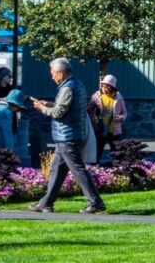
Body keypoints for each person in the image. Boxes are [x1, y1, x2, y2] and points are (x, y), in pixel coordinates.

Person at [29, 58, 105, 213]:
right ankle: (46, 203)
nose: (51, 77)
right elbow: (68, 107)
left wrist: (41, 108)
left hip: (67, 137)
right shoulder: (77, 84)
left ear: (61, 73)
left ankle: (95, 202)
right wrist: (49, 104)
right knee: (56, 170)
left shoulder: (67, 88)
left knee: (78, 169)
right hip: (69, 135)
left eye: (53, 74)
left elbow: (58, 113)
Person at [88, 74, 127, 164]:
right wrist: (93, 119)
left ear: (112, 87)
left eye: (106, 86)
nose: (104, 88)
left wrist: (121, 118)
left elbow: (125, 112)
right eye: (103, 86)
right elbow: (89, 109)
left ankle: (116, 172)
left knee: (117, 155)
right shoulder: (96, 96)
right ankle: (94, 171)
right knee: (96, 153)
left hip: (115, 131)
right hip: (100, 130)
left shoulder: (119, 97)